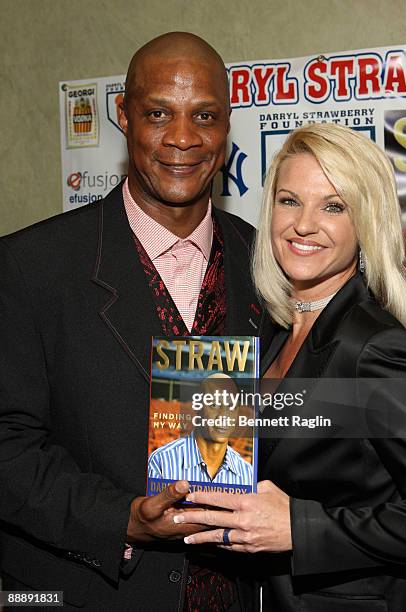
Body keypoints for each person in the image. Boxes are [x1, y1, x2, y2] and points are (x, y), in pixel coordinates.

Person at [0, 32, 274, 611]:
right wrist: (120, 520)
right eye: (158, 114)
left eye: (204, 116)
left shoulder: (267, 267)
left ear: (228, 128)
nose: (182, 138)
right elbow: (7, 448)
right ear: (123, 116)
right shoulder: (31, 267)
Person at [171, 123, 406, 611]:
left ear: (365, 222)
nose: (303, 224)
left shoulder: (376, 349)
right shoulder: (270, 337)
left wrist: (299, 528)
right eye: (289, 201)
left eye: (333, 206)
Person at [148, 374, 253, 486]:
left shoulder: (247, 473)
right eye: (214, 405)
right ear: (198, 407)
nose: (223, 416)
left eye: (231, 406)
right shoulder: (161, 461)